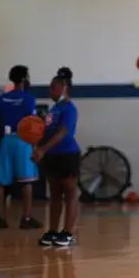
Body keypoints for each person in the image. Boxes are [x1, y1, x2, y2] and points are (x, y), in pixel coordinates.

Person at [34, 67, 81, 247]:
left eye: (53, 87)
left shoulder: (69, 108)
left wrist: (43, 149)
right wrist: (37, 148)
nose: (50, 90)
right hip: (51, 156)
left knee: (69, 192)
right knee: (54, 193)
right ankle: (53, 231)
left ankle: (67, 233)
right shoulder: (54, 108)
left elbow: (62, 132)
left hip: (68, 155)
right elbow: (46, 132)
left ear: (63, 87)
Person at [0, 65, 42, 230]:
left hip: (6, 140)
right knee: (27, 180)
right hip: (23, 140)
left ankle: (0, 218)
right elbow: (32, 124)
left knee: (0, 181)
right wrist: (35, 146)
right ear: (25, 78)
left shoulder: (1, 99)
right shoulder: (29, 99)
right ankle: (26, 218)